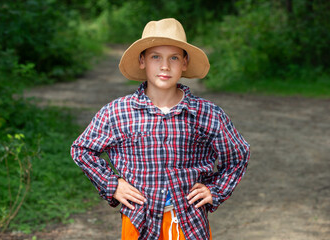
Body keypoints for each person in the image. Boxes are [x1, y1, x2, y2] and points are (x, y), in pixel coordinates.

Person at [71, 18, 250, 240]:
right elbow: (82, 149)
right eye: (156, 57)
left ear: (184, 63)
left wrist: (215, 190)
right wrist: (112, 184)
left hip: (189, 223)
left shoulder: (206, 113)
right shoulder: (117, 112)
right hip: (139, 221)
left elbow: (238, 154)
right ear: (142, 61)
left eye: (173, 58)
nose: (165, 66)